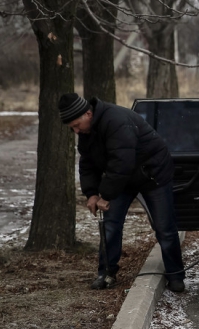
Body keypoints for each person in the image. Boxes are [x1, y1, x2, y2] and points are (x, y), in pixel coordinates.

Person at [59, 93, 186, 293]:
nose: (76, 131)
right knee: (110, 225)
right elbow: (87, 164)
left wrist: (106, 195)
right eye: (72, 128)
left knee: (164, 227)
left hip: (153, 174)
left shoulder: (116, 121)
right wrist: (91, 193)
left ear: (88, 114)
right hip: (122, 179)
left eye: (76, 125)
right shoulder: (86, 133)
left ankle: (176, 275)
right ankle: (106, 273)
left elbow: (122, 163)